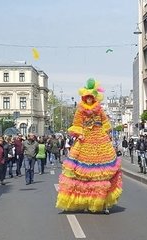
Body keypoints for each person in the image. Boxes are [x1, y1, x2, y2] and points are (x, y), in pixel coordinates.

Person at [56, 78, 122, 213]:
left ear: (94, 98)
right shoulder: (80, 110)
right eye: (87, 97)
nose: (89, 100)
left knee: (103, 174)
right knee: (82, 174)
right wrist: (79, 134)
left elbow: (105, 122)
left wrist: (105, 133)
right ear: (84, 98)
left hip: (100, 141)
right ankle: (86, 202)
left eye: (91, 97)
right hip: (85, 141)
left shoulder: (99, 110)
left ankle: (102, 203)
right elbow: (77, 124)